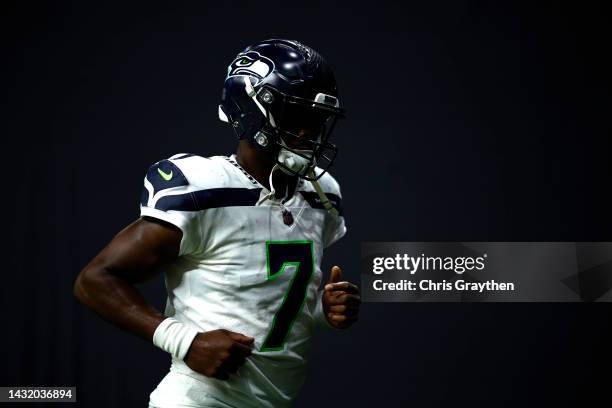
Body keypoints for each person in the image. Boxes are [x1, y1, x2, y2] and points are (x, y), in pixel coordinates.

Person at [74, 38, 360, 408]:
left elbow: (271, 307)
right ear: (251, 109)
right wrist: (185, 342)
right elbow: (94, 280)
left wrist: (324, 311)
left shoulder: (321, 194)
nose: (308, 133)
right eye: (296, 117)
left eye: (316, 121)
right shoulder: (204, 189)